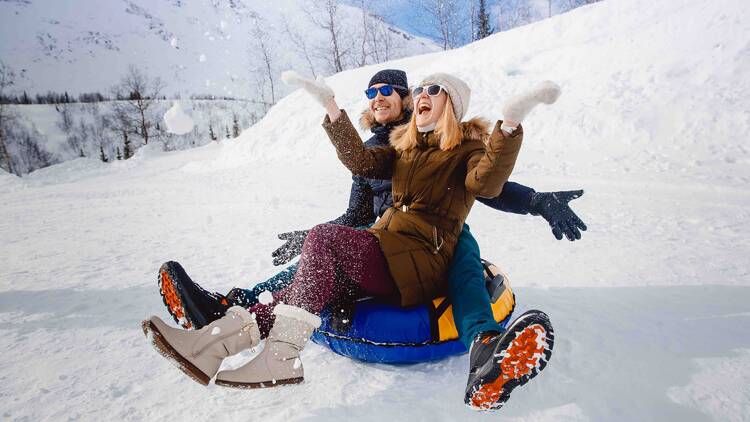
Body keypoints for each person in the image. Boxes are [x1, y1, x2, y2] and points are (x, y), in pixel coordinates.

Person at [143, 71, 563, 410]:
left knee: (328, 243)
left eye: (434, 90)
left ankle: (281, 357)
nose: (423, 94)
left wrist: (508, 125)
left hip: (421, 255)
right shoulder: (403, 146)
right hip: (387, 246)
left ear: (451, 104)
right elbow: (360, 163)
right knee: (300, 282)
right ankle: (210, 346)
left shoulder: (467, 148)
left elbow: (488, 183)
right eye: (421, 88)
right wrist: (331, 109)